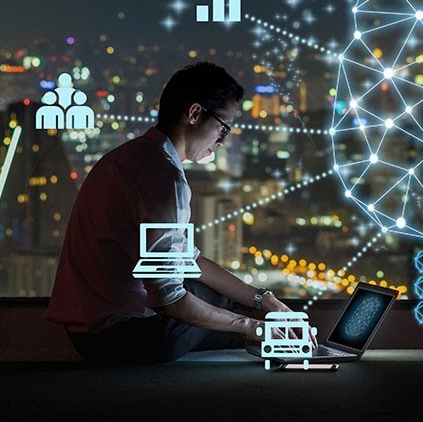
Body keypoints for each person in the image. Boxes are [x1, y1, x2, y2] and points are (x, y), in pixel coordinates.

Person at [47, 61, 297, 363]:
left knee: (213, 294)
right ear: (194, 113)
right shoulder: (165, 179)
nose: (222, 141)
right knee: (214, 298)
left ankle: (256, 336)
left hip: (86, 335)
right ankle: (264, 340)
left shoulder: (128, 157)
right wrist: (253, 325)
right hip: (122, 338)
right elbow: (167, 298)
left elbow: (188, 259)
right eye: (223, 127)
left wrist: (265, 300)